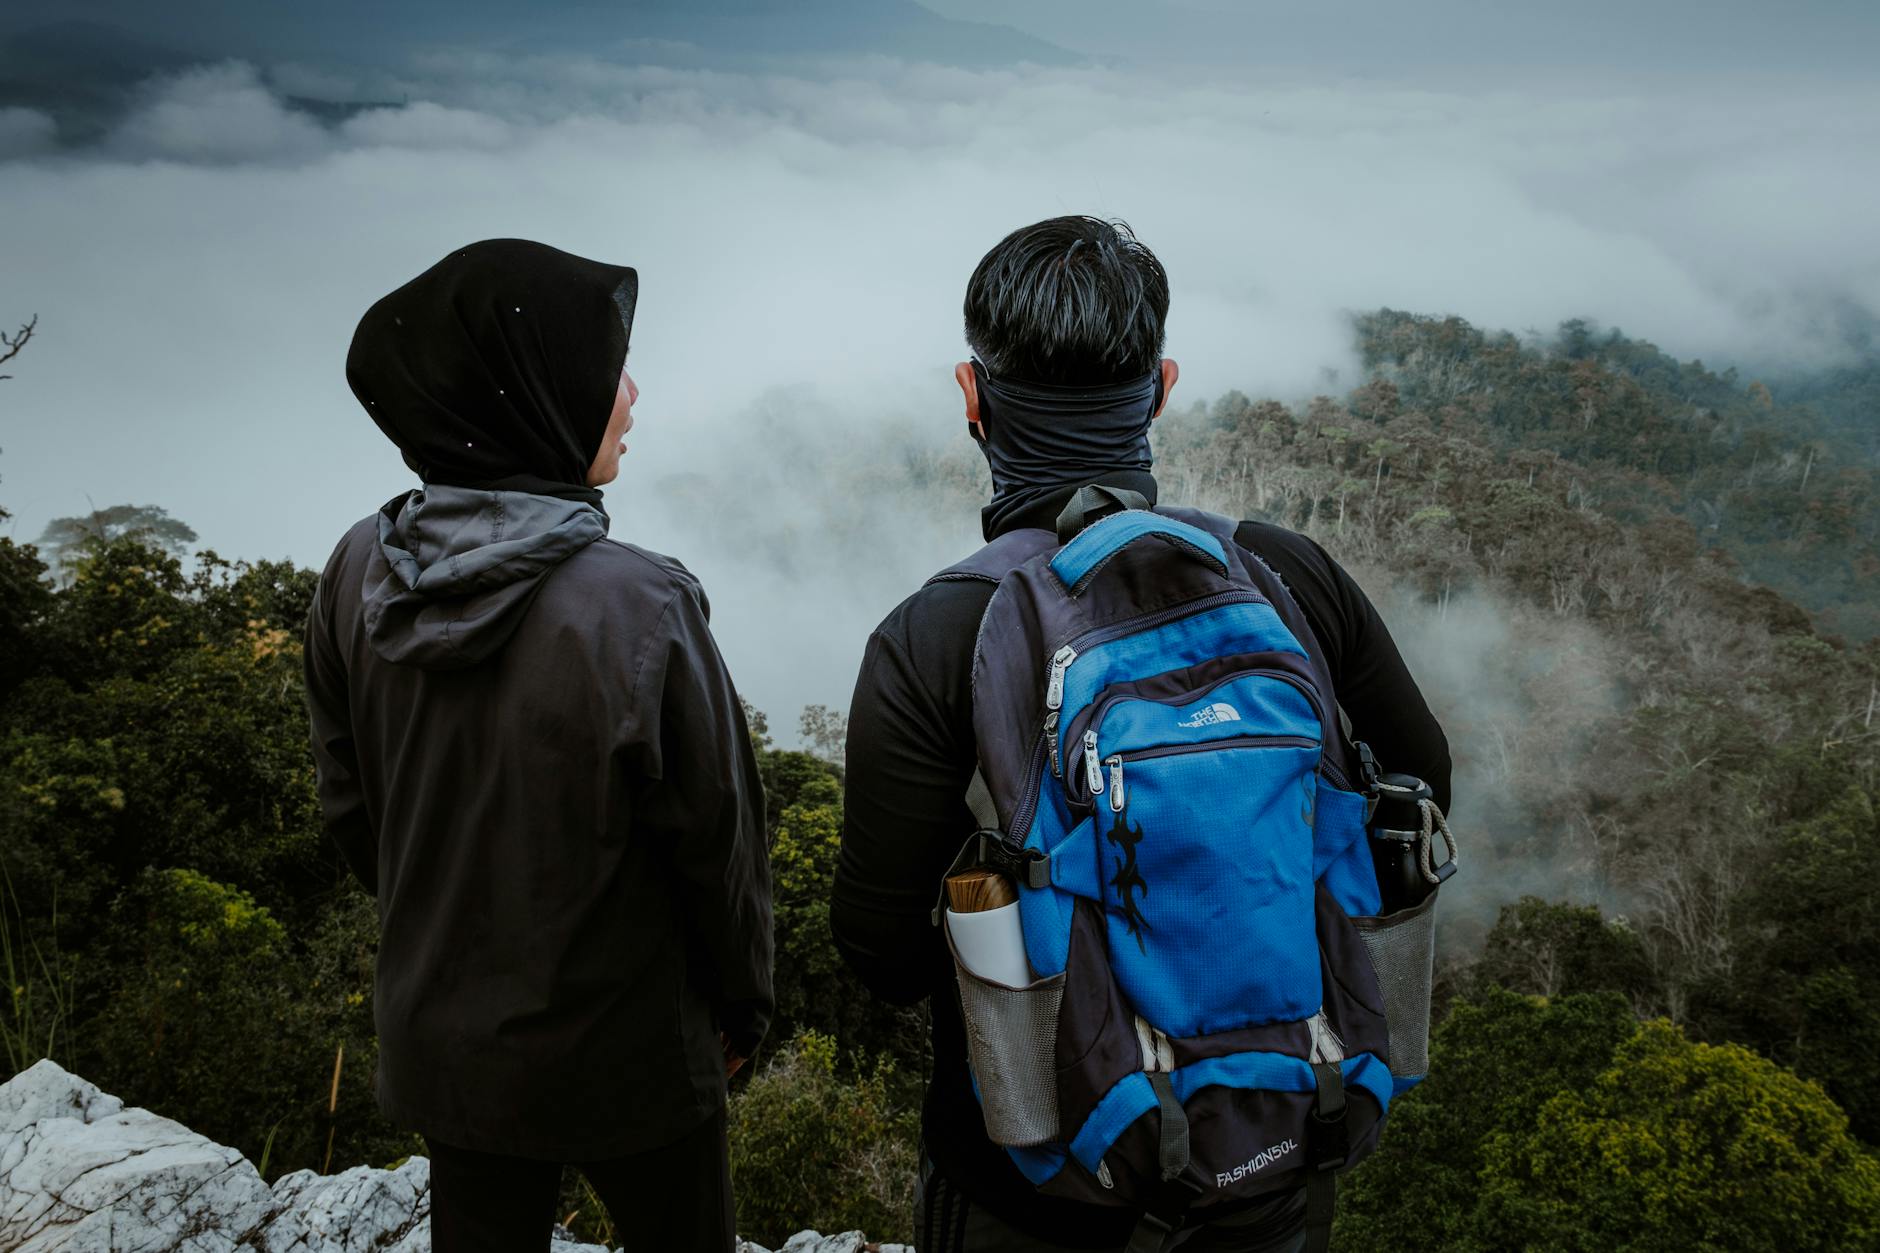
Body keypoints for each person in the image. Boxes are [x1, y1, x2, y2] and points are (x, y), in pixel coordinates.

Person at [831, 216, 1452, 1253]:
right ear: (1161, 387)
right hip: (1274, 1149)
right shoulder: (1288, 576)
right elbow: (1418, 786)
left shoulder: (934, 635)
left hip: (1028, 1180)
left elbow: (880, 955)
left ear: (972, 398)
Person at [304, 239, 773, 1253]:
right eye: (604, 369)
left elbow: (351, 806)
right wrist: (742, 1007)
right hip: (631, 1047)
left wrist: (444, 932)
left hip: (448, 1040)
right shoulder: (639, 605)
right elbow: (717, 846)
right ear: (529, 396)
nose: (631, 393)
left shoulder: (354, 570)